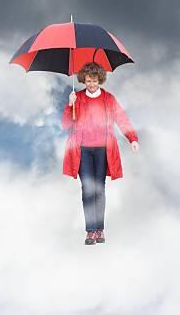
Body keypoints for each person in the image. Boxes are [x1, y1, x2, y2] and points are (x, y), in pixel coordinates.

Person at [61, 62, 140, 245]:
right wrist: (69, 105)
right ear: (83, 80)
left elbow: (122, 119)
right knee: (87, 189)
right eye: (88, 80)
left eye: (95, 80)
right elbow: (66, 125)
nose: (91, 84)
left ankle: (100, 230)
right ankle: (90, 231)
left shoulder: (109, 99)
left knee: (99, 189)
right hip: (83, 150)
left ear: (100, 80)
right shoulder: (78, 98)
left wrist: (133, 139)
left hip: (103, 149)